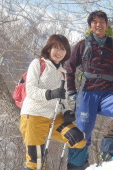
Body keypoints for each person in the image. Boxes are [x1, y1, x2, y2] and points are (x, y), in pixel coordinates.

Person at [65, 10, 113, 170]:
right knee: (82, 136)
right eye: (95, 22)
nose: (98, 24)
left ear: (107, 24)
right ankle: (77, 166)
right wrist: (71, 93)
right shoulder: (83, 45)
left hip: (107, 95)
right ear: (90, 26)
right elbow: (69, 67)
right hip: (87, 95)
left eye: (101, 21)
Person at [19, 34, 87, 170]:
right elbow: (31, 90)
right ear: (48, 49)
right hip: (33, 117)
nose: (59, 52)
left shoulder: (63, 72)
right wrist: (50, 94)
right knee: (36, 163)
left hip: (55, 118)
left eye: (63, 49)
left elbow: (63, 98)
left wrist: (67, 110)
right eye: (55, 47)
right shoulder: (38, 64)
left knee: (78, 139)